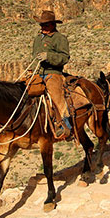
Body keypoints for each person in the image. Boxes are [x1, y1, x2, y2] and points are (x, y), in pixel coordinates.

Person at [32, 10, 71, 139]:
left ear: (53, 25)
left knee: (56, 97)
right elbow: (34, 58)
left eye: (46, 25)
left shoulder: (60, 38)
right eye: (41, 25)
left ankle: (65, 126)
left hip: (53, 73)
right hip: (37, 73)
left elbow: (64, 57)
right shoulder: (38, 39)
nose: (43, 28)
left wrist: (48, 56)